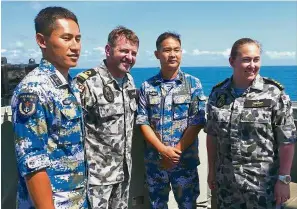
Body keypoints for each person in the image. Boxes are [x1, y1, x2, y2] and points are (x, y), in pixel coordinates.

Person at [205, 38, 296, 209]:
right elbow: (212, 135)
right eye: (246, 59)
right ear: (232, 61)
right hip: (228, 185)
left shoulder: (273, 93)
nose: (252, 65)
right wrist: (211, 170)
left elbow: (287, 140)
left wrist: (284, 179)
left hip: (263, 187)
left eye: (256, 59)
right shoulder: (218, 94)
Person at [11, 6, 88, 209]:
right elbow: (32, 161)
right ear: (42, 41)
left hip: (76, 200)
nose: (75, 46)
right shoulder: (33, 90)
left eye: (78, 39)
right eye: (66, 38)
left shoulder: (68, 86)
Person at [136, 32, 206, 209]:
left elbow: (197, 121)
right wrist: (162, 151)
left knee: (188, 205)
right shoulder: (147, 86)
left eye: (177, 49)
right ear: (157, 54)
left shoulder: (193, 84)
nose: (172, 54)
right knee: (157, 205)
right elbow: (142, 121)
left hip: (184, 162)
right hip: (156, 162)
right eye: (167, 50)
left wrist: (176, 152)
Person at [75, 26, 139, 209]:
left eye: (133, 53)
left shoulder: (129, 81)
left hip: (123, 173)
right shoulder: (86, 82)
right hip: (97, 178)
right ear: (108, 50)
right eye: (124, 51)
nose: (129, 57)